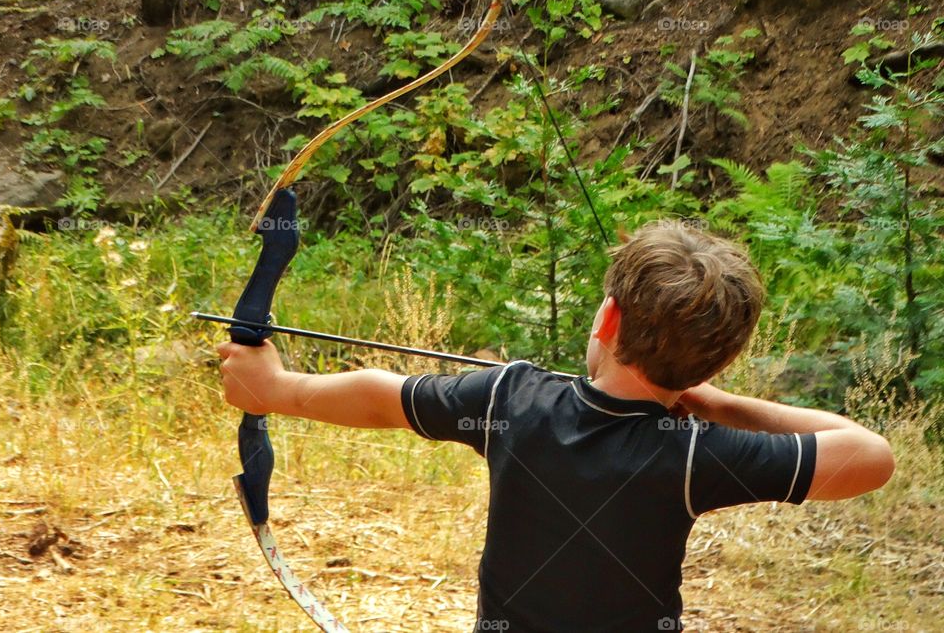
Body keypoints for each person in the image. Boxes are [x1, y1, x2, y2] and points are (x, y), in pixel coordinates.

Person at [217, 221, 895, 632]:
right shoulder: (693, 454)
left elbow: (381, 397)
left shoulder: (514, 397)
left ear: (605, 322)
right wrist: (716, 403)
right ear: (712, 362)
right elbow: (869, 455)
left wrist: (277, 388)